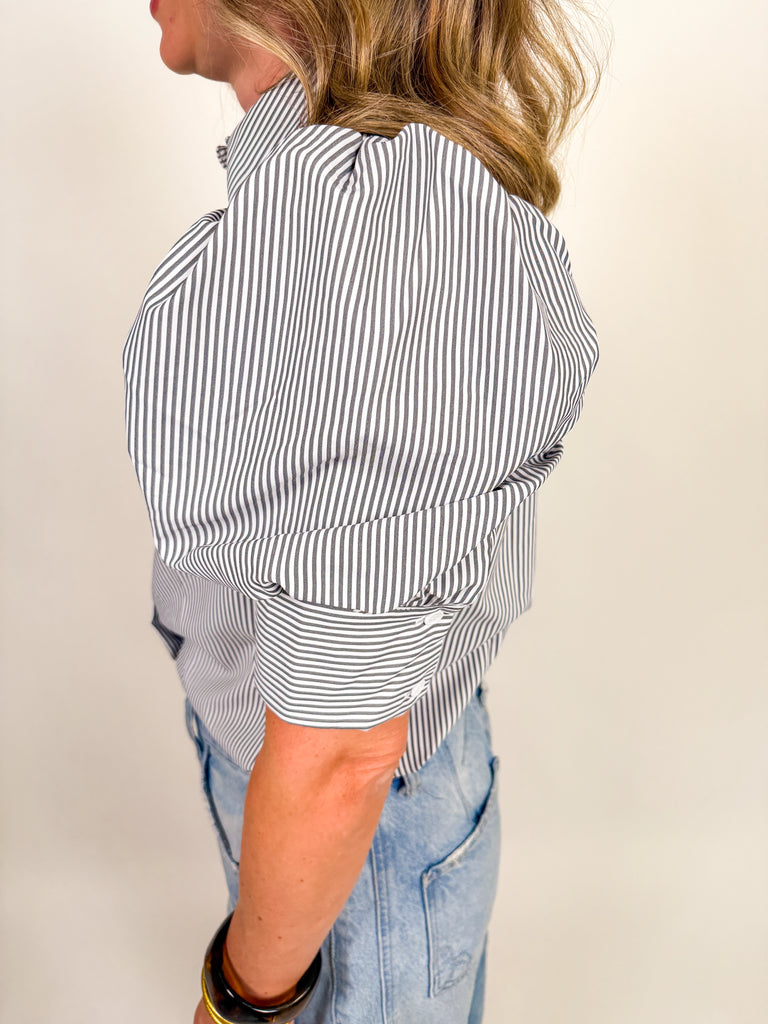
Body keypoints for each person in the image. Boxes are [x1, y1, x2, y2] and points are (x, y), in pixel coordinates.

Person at [123, 1, 605, 1021]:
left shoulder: (385, 235)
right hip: (326, 831)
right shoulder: (345, 205)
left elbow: (342, 752)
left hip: (351, 853)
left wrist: (244, 997)